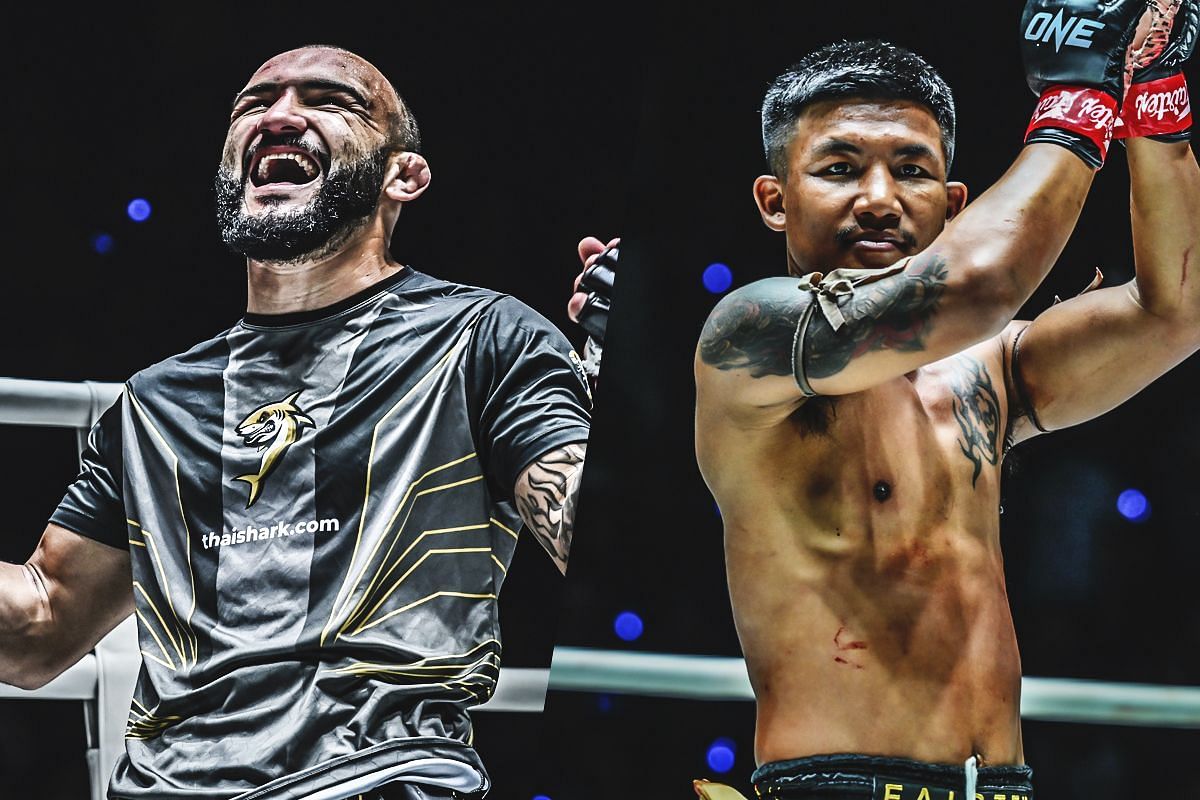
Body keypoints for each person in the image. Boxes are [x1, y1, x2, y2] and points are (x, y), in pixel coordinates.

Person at [0, 45, 599, 800]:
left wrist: (636, 380)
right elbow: (40, 626)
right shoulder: (157, 402)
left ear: (402, 177)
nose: (279, 116)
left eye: (328, 100)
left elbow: (598, 542)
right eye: (253, 104)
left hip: (381, 780)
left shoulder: (482, 338)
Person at [693, 1, 1198, 797]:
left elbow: (1175, 311)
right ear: (773, 199)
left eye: (913, 170)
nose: (879, 197)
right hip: (839, 785)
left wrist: (1153, 98)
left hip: (1002, 783)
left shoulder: (987, 369)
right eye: (838, 168)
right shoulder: (751, 339)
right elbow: (983, 283)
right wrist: (1077, 100)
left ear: (957, 205)